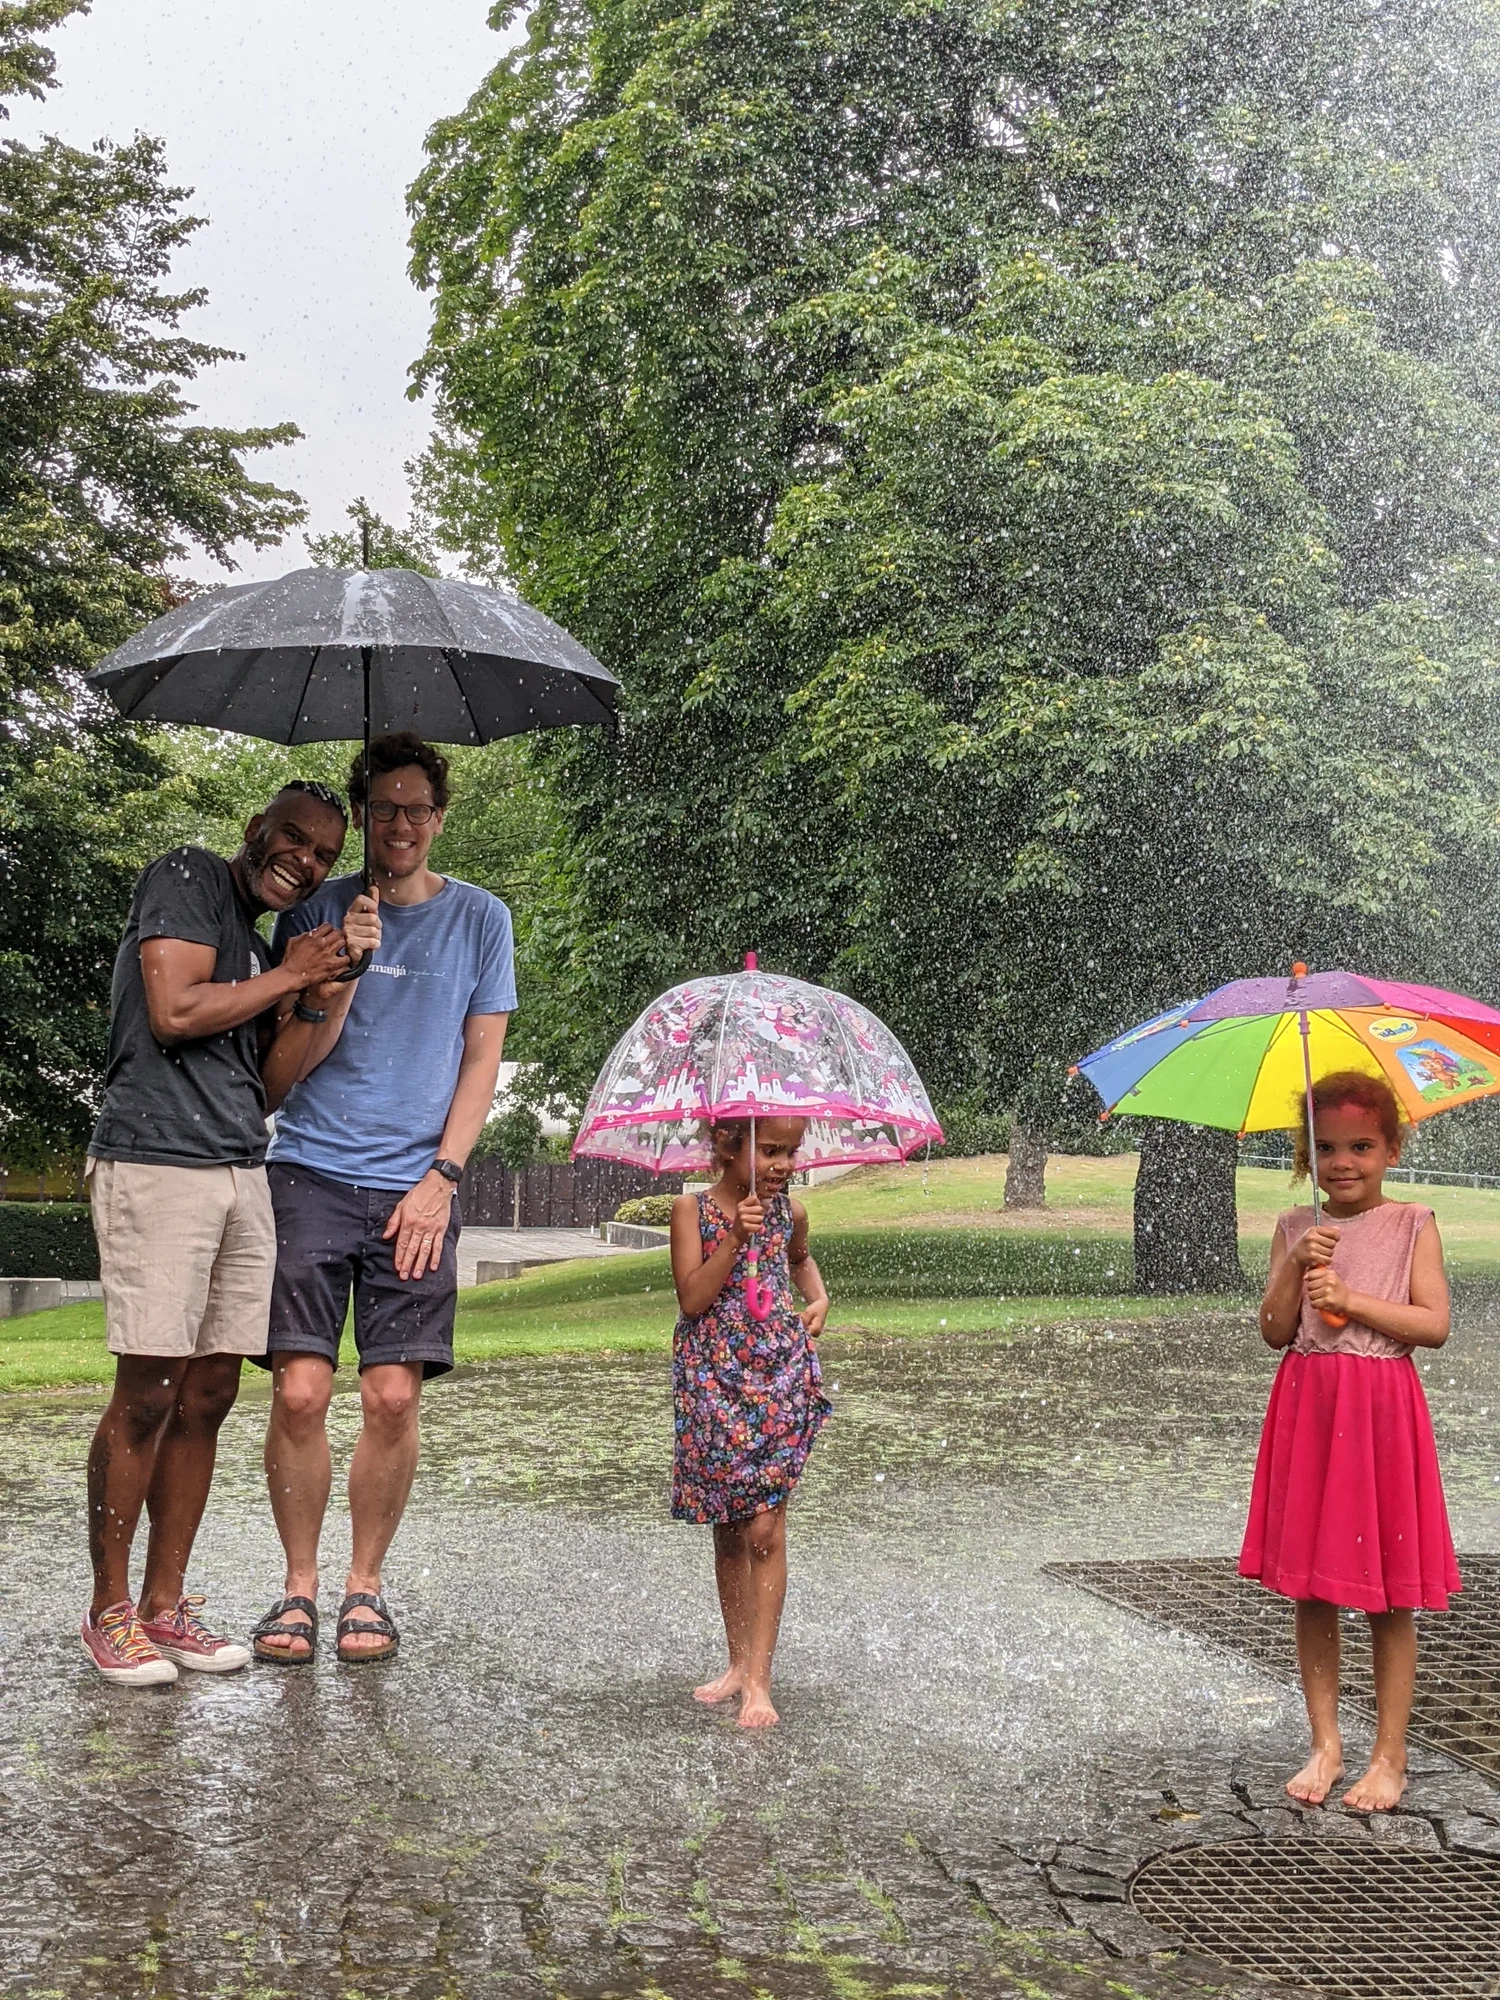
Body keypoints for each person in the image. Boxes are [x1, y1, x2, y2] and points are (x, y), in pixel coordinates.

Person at [82, 782, 380, 1685]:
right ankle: (109, 1611)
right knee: (148, 1390)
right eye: (295, 839)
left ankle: (166, 1606)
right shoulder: (186, 876)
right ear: (257, 830)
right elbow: (174, 1011)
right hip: (156, 1160)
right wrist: (290, 974)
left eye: (326, 854)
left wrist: (321, 996)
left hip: (239, 1166)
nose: (308, 860)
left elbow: (272, 1085)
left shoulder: (256, 946)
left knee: (208, 1393)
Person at [251, 733, 514, 1668]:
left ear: (438, 820)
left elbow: (482, 1058)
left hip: (417, 1185)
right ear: (360, 817)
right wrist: (339, 975)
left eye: (418, 809)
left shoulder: (483, 919)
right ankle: (298, 1588)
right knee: (300, 1390)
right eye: (384, 807)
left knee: (393, 1395)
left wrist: (443, 1178)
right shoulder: (315, 911)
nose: (400, 824)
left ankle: (365, 1587)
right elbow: (283, 1074)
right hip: (311, 1172)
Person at [1240, 1069, 1460, 1812]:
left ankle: (1389, 1755)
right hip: (1311, 1409)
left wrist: (1353, 1298)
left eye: (1361, 1146)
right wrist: (1296, 1275)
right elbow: (1275, 1332)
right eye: (1326, 1147)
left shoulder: (1412, 1223)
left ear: (1392, 1149)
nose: (1343, 1161)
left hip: (1379, 1413)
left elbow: (1432, 1325)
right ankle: (1326, 1742)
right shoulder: (1298, 1231)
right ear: (1306, 1157)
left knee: (1389, 1591)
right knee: (1312, 1586)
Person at [669, 1116, 831, 1728]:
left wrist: (818, 1296)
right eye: (769, 1150)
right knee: (730, 1526)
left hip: (778, 1374)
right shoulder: (691, 1211)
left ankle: (760, 1679)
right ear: (727, 1146)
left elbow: (801, 1260)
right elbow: (692, 1299)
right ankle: (737, 1662)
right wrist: (734, 1238)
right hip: (713, 1376)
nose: (784, 1164)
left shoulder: (790, 1211)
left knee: (765, 1527)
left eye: (790, 1151)